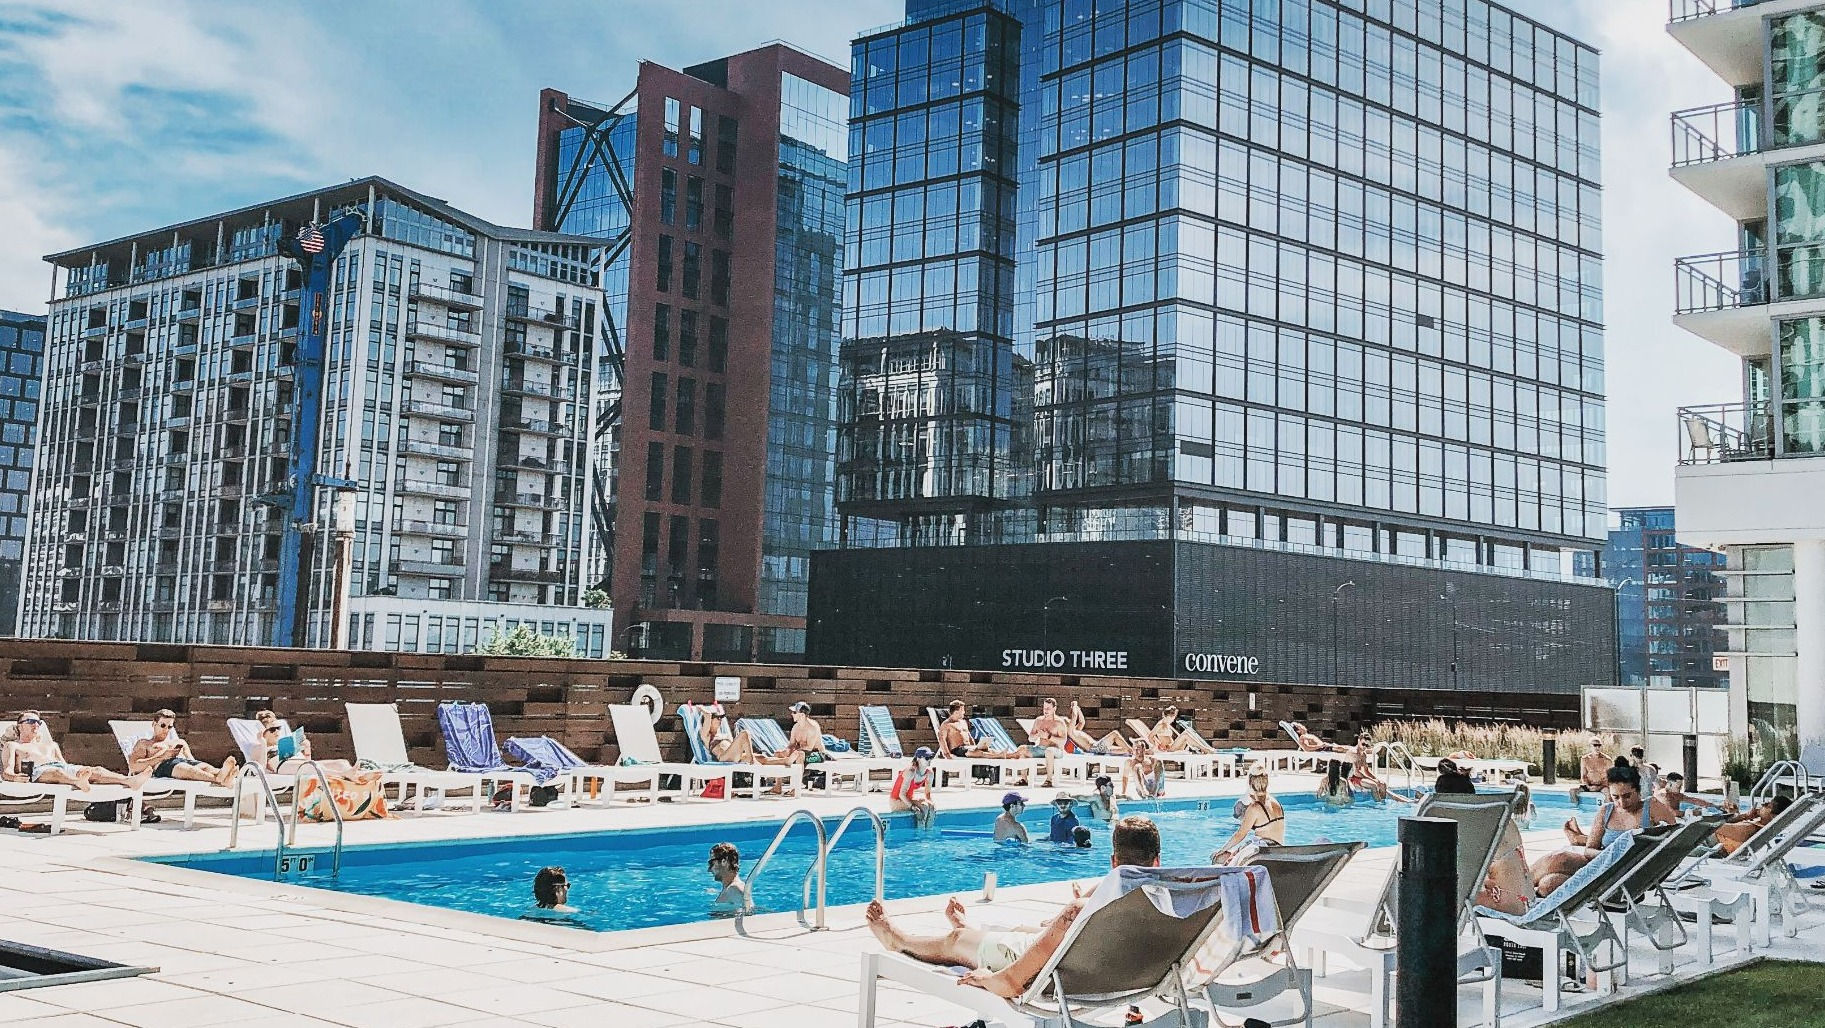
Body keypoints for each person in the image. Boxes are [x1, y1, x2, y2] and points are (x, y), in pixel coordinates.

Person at [863, 816, 1163, 999]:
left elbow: (1014, 981)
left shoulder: (1080, 912)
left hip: (1059, 978)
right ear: (1157, 861)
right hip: (1124, 974)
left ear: (1113, 861)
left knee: (956, 942)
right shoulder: (1175, 900)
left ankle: (897, 939)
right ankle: (971, 931)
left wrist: (989, 980)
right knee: (1023, 930)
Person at [1532, 765, 1676, 894]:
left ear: (1638, 791)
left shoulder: (1651, 807)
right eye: (1615, 797)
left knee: (1559, 859)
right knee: (1548, 884)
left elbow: (1676, 838)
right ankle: (1522, 892)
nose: (1621, 802)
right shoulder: (1606, 811)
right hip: (1601, 867)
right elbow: (1589, 850)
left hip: (1625, 875)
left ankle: (1517, 891)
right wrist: (1611, 856)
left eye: (1627, 796)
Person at [1, 711, 149, 791]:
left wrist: (78, 772)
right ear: (20, 726)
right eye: (31, 722)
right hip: (38, 772)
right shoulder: (13, 746)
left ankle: (129, 780)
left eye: (38, 722)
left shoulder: (51, 745)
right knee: (56, 772)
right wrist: (15, 778)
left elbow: (65, 766)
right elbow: (6, 772)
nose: (36, 725)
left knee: (94, 770)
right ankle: (78, 782)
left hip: (61, 769)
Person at [127, 709, 237, 786]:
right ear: (153, 724)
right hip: (163, 766)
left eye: (169, 727)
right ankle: (220, 779)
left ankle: (223, 776)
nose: (166, 730)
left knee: (204, 767)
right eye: (162, 725)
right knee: (188, 769)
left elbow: (192, 760)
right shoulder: (145, 744)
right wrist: (162, 757)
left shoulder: (179, 742)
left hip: (182, 762)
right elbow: (133, 766)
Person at [256, 723, 378, 784]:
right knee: (313, 766)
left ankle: (355, 776)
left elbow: (308, 760)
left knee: (342, 762)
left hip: (300, 764)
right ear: (263, 733)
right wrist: (263, 743)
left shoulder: (283, 744)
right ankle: (346, 774)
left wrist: (306, 748)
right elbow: (260, 768)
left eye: (278, 728)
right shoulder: (259, 746)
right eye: (272, 730)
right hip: (283, 767)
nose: (276, 732)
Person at [1213, 765, 1285, 864]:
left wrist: (1221, 850)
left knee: (1218, 859)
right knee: (1230, 856)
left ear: (1250, 783)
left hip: (1262, 852)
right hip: (1278, 851)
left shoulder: (1255, 808)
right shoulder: (1276, 803)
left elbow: (1240, 835)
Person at [686, 702, 780, 765]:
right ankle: (752, 762)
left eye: (720, 718)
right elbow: (708, 714)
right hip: (724, 757)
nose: (720, 720)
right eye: (717, 718)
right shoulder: (706, 735)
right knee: (744, 733)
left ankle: (787, 761)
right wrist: (700, 708)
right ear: (709, 722)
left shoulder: (721, 734)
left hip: (735, 756)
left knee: (762, 757)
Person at [1713, 796, 1792, 856]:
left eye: (1767, 805)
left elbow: (1714, 826)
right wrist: (1744, 816)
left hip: (1708, 843)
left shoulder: (1749, 829)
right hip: (1713, 842)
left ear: (1773, 816)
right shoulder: (1756, 827)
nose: (1762, 804)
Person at [1347, 732, 1412, 803]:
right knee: (1373, 785)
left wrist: (1376, 779)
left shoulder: (1363, 754)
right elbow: (1356, 773)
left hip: (1359, 777)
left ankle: (1383, 802)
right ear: (1359, 740)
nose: (1364, 747)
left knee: (1382, 784)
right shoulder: (1353, 753)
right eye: (1363, 744)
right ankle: (1378, 804)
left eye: (1367, 745)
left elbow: (1366, 770)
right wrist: (1372, 780)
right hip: (1351, 778)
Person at [889, 747, 937, 827]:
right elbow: (901, 794)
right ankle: (920, 834)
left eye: (931, 757)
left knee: (931, 807)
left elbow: (928, 795)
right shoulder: (910, 772)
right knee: (924, 808)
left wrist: (932, 804)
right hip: (896, 801)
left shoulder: (929, 773)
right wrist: (912, 806)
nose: (929, 760)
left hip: (908, 799)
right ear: (918, 759)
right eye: (927, 758)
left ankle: (928, 834)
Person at [1028, 698, 1070, 787]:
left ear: (1054, 709)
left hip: (1056, 750)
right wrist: (1037, 735)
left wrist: (1048, 736)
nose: (1045, 711)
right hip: (1040, 748)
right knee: (1022, 749)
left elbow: (1063, 742)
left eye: (1048, 708)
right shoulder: (1039, 720)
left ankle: (1049, 779)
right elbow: (1031, 739)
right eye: (1044, 708)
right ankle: (1024, 779)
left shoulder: (1059, 723)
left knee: (1049, 751)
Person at [1656, 771, 1726, 817]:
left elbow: (1693, 800)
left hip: (1674, 820)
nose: (1680, 789)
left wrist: (1715, 806)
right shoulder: (1664, 795)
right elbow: (1670, 813)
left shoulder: (1676, 794)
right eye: (1678, 787)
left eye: (1681, 787)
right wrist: (1692, 813)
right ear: (1670, 784)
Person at [1148, 707, 1215, 754]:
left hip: (1174, 746)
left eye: (1173, 718)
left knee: (1188, 731)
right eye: (1172, 718)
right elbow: (1150, 737)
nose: (1173, 720)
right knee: (1185, 734)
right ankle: (1204, 749)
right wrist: (1157, 747)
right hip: (1170, 749)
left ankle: (1203, 748)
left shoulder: (1167, 724)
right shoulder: (1160, 725)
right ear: (1167, 716)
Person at [708, 842, 752, 913]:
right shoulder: (730, 888)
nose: (709, 869)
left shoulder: (734, 889)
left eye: (711, 863)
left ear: (724, 861)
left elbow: (749, 915)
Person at [1570, 736, 1611, 802]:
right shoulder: (1585, 759)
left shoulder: (1607, 760)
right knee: (1572, 792)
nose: (1597, 748)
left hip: (1602, 786)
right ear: (1590, 746)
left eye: (1599, 745)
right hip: (1589, 785)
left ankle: (1606, 809)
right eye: (1595, 745)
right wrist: (1588, 786)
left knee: (1608, 794)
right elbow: (1583, 776)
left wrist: (1599, 787)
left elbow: (1609, 778)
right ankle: (1576, 809)